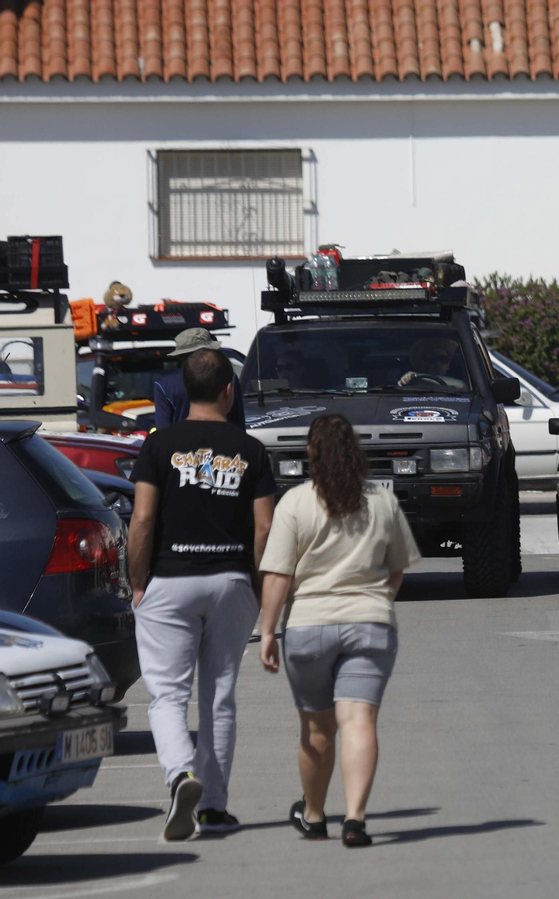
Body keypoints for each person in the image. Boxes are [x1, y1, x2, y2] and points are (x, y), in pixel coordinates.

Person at [128, 348, 275, 842]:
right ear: (229, 391)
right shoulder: (251, 450)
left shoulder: (159, 445)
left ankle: (179, 776)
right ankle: (213, 806)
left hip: (169, 580)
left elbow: (143, 519)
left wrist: (136, 582)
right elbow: (265, 528)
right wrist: (259, 587)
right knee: (220, 695)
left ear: (183, 390)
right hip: (230, 580)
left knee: (167, 694)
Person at [257, 414, 419, 848]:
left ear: (311, 452)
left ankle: (313, 815)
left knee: (317, 730)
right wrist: (375, 600)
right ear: (355, 452)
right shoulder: (380, 500)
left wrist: (268, 631)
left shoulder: (294, 503)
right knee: (359, 720)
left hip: (308, 627)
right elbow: (397, 570)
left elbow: (277, 575)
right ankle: (355, 818)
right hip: (370, 623)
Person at [152, 328, 247, 430]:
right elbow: (238, 424)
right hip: (224, 442)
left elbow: (163, 429)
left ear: (180, 356)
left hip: (181, 444)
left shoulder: (164, 385)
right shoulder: (229, 377)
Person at [396, 337, 465, 389]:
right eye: (432, 359)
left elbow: (462, 386)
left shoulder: (457, 387)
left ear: (448, 365)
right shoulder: (414, 385)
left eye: (443, 359)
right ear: (423, 364)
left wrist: (421, 378)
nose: (438, 364)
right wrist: (407, 380)